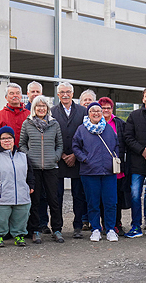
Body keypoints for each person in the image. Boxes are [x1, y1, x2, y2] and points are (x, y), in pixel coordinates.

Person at [72, 102, 121, 242]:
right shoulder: (81, 129)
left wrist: (115, 157)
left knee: (110, 202)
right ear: (88, 113)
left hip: (109, 171)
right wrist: (85, 159)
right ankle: (95, 229)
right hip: (89, 172)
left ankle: (110, 229)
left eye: (98, 110)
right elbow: (75, 146)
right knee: (92, 202)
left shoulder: (109, 129)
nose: (96, 113)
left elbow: (116, 144)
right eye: (93, 111)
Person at [19, 96, 64, 244]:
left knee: (54, 199)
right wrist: (29, 158)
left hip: (51, 167)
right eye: (38, 106)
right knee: (35, 200)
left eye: (43, 106)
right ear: (33, 108)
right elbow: (22, 144)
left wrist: (56, 157)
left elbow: (59, 144)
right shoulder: (27, 123)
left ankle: (57, 229)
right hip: (34, 168)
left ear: (47, 108)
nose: (41, 109)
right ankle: (35, 230)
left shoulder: (54, 123)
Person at [0, 126, 35, 247]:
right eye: (3, 138)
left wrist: (31, 185)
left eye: (9, 138)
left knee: (21, 217)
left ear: (14, 139)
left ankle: (19, 235)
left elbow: (30, 173)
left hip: (21, 194)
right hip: (0, 196)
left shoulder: (23, 157)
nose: (7, 141)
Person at [50, 82, 89, 239]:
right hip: (57, 159)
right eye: (61, 92)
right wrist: (60, 154)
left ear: (73, 94)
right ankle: (57, 227)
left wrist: (74, 154)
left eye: (68, 92)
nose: (65, 95)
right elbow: (48, 135)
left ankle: (78, 226)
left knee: (78, 195)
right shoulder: (51, 112)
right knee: (56, 195)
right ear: (58, 94)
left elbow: (87, 135)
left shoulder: (83, 111)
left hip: (77, 159)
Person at [124, 87, 146, 238]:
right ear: (143, 99)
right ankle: (135, 225)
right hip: (137, 163)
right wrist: (141, 150)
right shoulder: (134, 115)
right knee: (135, 194)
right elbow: (128, 137)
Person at [98, 96, 128, 236]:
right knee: (103, 198)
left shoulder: (119, 123)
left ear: (112, 109)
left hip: (116, 166)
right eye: (102, 108)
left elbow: (124, 142)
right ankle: (106, 224)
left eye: (108, 108)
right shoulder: (95, 123)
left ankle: (117, 223)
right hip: (101, 167)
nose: (105, 110)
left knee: (116, 197)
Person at [0, 83, 30, 152]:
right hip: (5, 155)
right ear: (6, 97)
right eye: (12, 93)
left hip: (26, 155)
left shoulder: (29, 115)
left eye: (17, 93)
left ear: (21, 96)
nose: (15, 96)